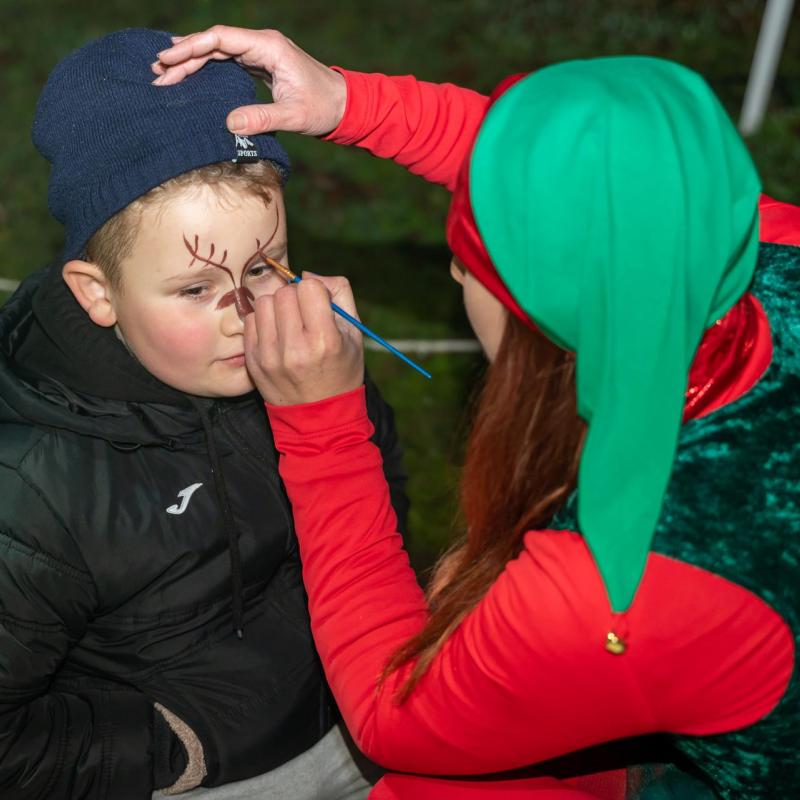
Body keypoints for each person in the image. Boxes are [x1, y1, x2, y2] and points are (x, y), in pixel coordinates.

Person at [154, 27, 800, 800]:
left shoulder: (626, 582)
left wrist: (323, 426)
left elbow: (396, 716)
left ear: (534, 315)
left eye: (471, 259)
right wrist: (350, 104)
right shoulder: (759, 243)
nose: (456, 262)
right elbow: (601, 181)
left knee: (423, 786)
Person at [0, 28, 409, 800]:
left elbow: (378, 509)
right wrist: (165, 752)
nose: (244, 312)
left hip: (361, 719)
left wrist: (338, 407)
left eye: (265, 267)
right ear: (97, 293)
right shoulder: (32, 480)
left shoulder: (295, 360)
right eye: (195, 289)